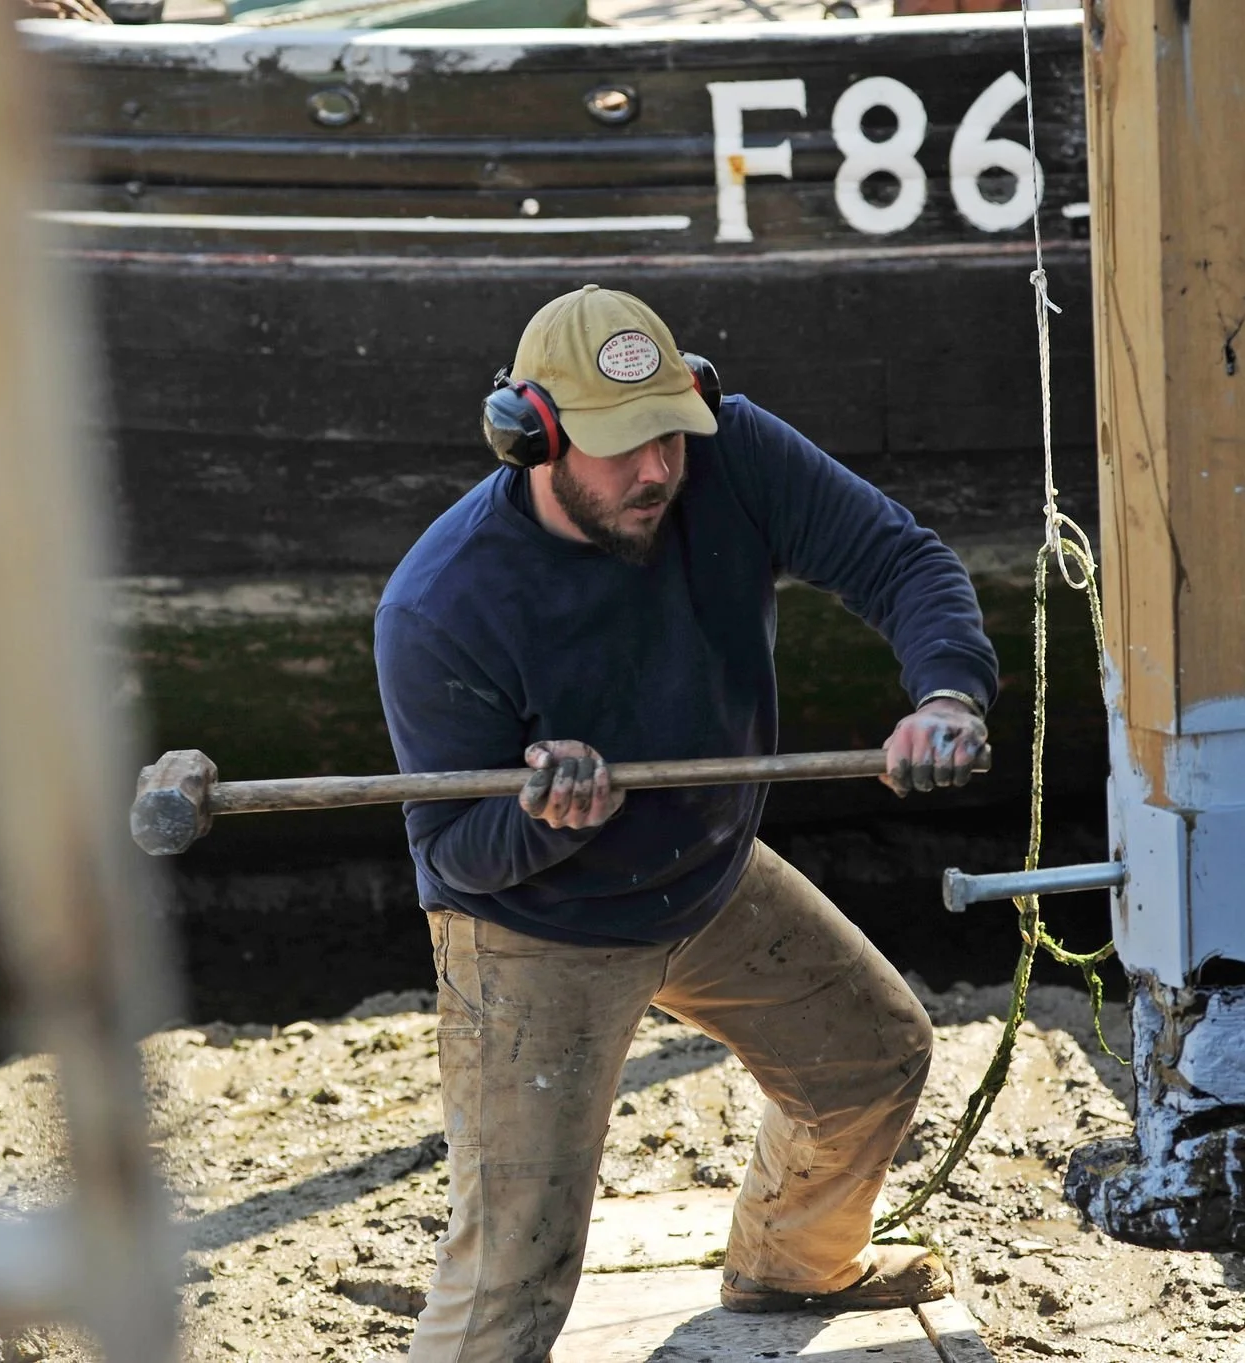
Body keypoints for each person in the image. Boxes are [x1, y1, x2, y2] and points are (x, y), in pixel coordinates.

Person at [373, 284, 999, 1361]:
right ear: (533, 437)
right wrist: (549, 819)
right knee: (510, 1279)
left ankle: (786, 1272)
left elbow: (899, 559)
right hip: (537, 925)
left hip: (706, 872)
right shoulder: (439, 606)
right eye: (620, 448)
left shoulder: (728, 454)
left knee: (872, 1058)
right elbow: (456, 856)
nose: (656, 468)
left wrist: (946, 692)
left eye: (669, 431)